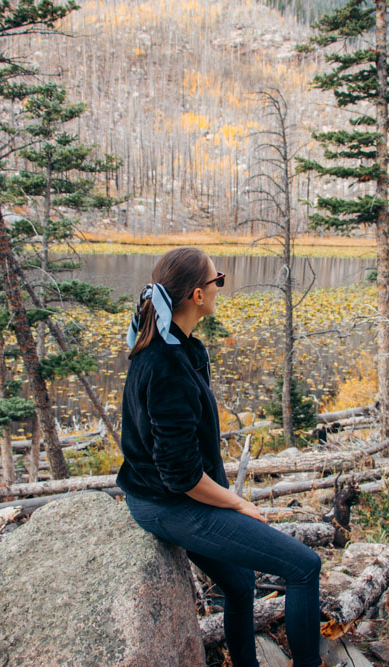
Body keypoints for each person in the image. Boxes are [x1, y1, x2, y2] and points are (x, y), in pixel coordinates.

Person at [117, 247, 324, 667]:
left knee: (240, 581)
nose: (220, 288)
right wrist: (236, 502)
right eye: (218, 281)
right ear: (197, 295)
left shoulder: (178, 347)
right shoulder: (166, 362)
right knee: (304, 566)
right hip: (170, 504)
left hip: (169, 497)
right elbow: (181, 476)